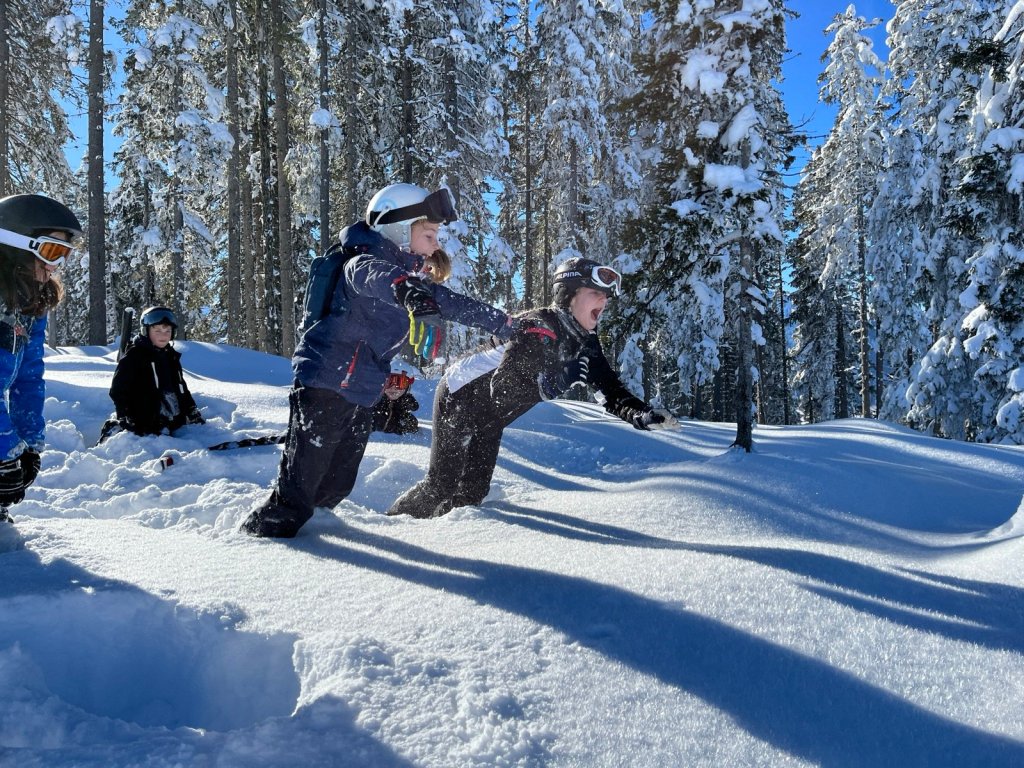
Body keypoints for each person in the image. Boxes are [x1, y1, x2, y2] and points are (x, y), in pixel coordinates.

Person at [241, 183, 514, 538]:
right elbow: (372, 276)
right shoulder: (363, 262)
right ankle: (252, 546)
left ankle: (315, 546)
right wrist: (407, 289)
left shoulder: (413, 279)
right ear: (399, 229)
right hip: (324, 383)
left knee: (335, 488)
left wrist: (508, 325)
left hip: (362, 391)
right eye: (429, 234)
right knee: (297, 495)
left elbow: (456, 304)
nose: (436, 244)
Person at [387, 257, 679, 520]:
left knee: (472, 494)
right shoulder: (537, 328)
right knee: (441, 486)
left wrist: (641, 414)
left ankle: (450, 539)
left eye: (605, 296)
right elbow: (503, 389)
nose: (603, 302)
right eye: (595, 293)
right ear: (569, 296)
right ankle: (393, 523)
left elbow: (610, 391)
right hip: (459, 399)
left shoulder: (584, 341)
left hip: (492, 416)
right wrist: (555, 382)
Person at [0, 193, 81, 522]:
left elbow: (27, 377)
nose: (55, 265)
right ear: (15, 244)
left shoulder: (29, 306)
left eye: (63, 254)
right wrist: (5, 452)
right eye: (51, 251)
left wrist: (29, 443)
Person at [105, 306, 205, 438]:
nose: (163, 335)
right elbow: (118, 390)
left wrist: (191, 409)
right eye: (157, 330)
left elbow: (180, 387)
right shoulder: (134, 356)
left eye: (167, 331)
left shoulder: (171, 356)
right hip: (144, 424)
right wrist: (125, 415)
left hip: (172, 422)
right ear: (146, 331)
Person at [371, 371, 419, 435]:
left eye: (400, 383)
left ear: (407, 387)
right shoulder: (374, 400)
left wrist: (408, 402)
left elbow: (414, 407)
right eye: (389, 382)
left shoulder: (404, 400)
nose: (393, 387)